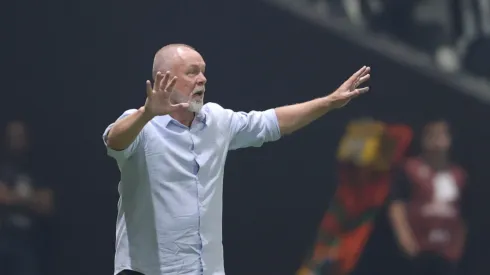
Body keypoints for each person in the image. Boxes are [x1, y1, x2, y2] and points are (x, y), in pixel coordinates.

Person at [103, 43, 371, 275]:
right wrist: (146, 114)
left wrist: (330, 102)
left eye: (203, 71)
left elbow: (272, 122)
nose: (203, 79)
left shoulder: (217, 120)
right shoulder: (141, 124)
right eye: (192, 72)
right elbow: (115, 141)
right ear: (165, 79)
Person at [389, 119, 468, 275]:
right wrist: (406, 240)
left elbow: (464, 216)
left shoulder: (459, 176)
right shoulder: (411, 168)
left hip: (445, 253)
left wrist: (457, 248)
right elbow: (397, 205)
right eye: (431, 135)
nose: (436, 140)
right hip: (416, 250)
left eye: (441, 134)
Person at [0, 120, 54, 275]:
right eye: (13, 136)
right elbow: (2, 198)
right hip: (4, 238)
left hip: (30, 241)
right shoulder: (3, 167)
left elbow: (47, 206)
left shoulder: (37, 170)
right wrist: (31, 199)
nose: (17, 140)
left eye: (20, 136)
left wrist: (13, 197)